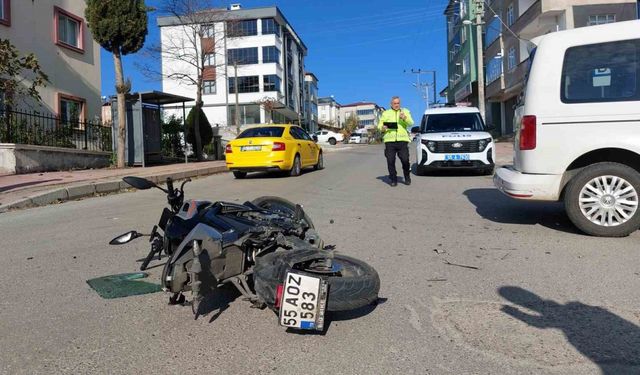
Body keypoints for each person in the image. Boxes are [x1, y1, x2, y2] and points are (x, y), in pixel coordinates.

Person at [377, 96, 414, 186]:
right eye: (395, 103)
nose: (396, 105)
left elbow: (411, 123)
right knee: (390, 161)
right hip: (390, 141)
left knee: (405, 160)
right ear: (391, 104)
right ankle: (393, 179)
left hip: (402, 140)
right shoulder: (386, 113)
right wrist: (382, 128)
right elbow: (379, 126)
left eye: (398, 103)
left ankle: (407, 176)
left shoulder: (405, 111)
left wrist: (404, 118)